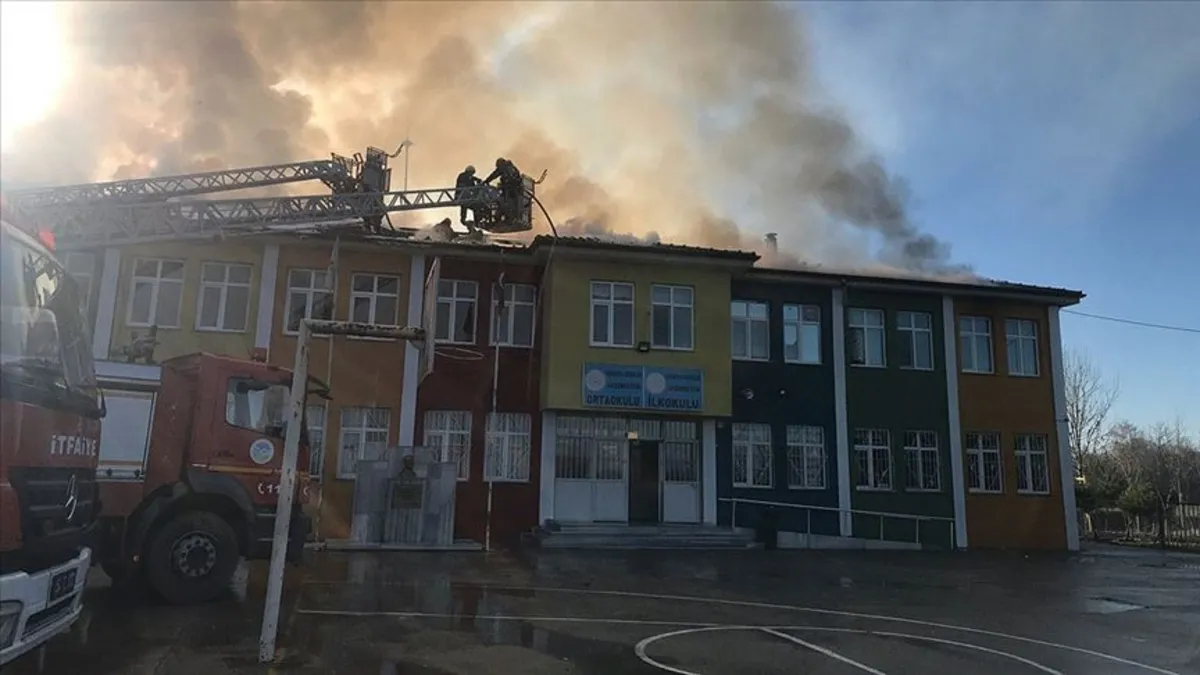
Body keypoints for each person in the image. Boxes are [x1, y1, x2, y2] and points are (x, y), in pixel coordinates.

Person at [483, 158, 522, 227]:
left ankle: (507, 218)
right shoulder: (510, 167)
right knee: (505, 203)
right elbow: (495, 174)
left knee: (505, 203)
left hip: (511, 190)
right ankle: (506, 218)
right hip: (512, 190)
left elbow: (495, 174)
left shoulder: (506, 168)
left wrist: (486, 181)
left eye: (498, 166)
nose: (498, 168)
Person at [455, 165, 481, 232]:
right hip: (461, 197)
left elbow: (472, 185)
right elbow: (469, 184)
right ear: (468, 172)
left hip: (467, 198)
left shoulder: (468, 177)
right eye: (471, 173)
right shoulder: (463, 176)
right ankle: (466, 221)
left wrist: (477, 180)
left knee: (476, 207)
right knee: (466, 207)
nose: (472, 174)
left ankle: (476, 222)